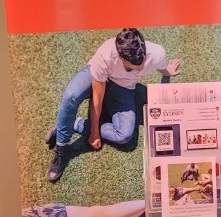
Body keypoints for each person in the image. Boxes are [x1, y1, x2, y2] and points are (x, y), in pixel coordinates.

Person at [46, 28, 181, 182]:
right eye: (134, 65)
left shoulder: (157, 53)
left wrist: (167, 73)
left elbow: (161, 67)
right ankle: (62, 149)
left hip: (123, 88)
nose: (142, 67)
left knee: (124, 135)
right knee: (71, 96)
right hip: (97, 77)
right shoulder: (105, 56)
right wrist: (94, 132)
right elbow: (97, 98)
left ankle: (74, 124)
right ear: (121, 57)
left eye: (143, 61)